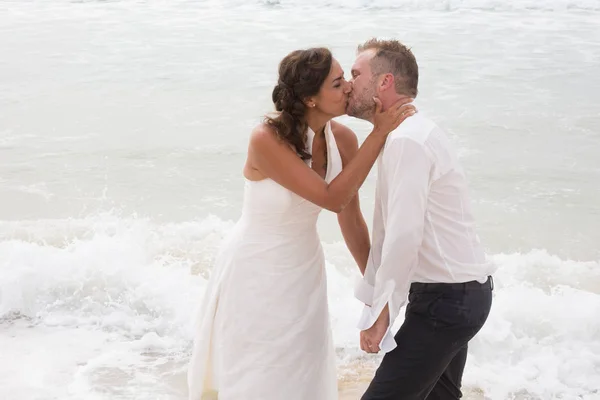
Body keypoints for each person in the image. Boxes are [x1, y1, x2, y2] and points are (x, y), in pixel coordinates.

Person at [186, 47, 416, 400]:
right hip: (255, 273)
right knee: (258, 376)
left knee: (303, 375)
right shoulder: (266, 139)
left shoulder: (343, 139)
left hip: (304, 273)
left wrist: (376, 292)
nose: (350, 89)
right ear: (310, 99)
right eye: (338, 84)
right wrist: (379, 133)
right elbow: (330, 198)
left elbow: (350, 217)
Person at [346, 38, 497, 400]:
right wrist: (373, 300)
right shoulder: (408, 134)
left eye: (356, 73)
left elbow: (403, 235)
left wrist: (383, 313)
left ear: (384, 83)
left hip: (447, 300)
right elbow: (389, 233)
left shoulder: (407, 141)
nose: (349, 84)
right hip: (458, 294)